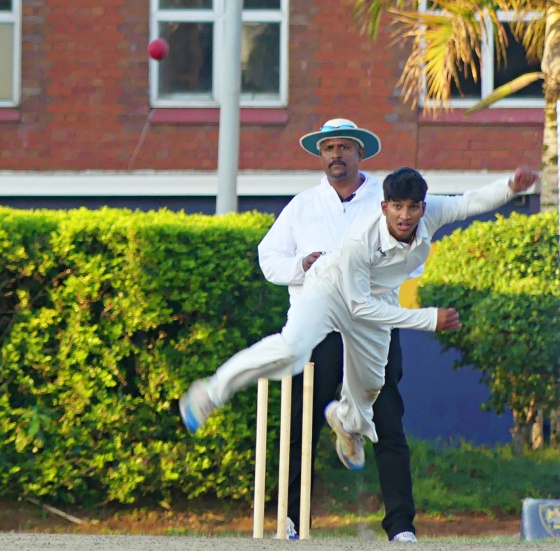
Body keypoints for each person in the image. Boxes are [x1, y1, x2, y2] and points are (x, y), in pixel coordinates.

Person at [179, 164, 539, 498]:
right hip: (331, 290)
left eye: (413, 208)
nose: (405, 216)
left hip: (375, 297)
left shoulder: (431, 214)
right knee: (293, 352)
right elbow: (357, 307)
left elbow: (469, 202)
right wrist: (429, 319)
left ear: (423, 208)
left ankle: (346, 422)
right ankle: (210, 391)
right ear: (384, 207)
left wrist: (509, 187)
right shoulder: (359, 241)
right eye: (397, 207)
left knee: (369, 385)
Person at [256, 119, 417, 542]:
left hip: (373, 325)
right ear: (320, 156)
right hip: (319, 325)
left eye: (345, 147)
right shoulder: (303, 205)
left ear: (360, 153)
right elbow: (268, 256)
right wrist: (301, 266)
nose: (336, 155)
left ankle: (401, 527)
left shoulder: (384, 200)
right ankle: (292, 522)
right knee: (301, 422)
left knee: (386, 420)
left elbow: (409, 248)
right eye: (329, 148)